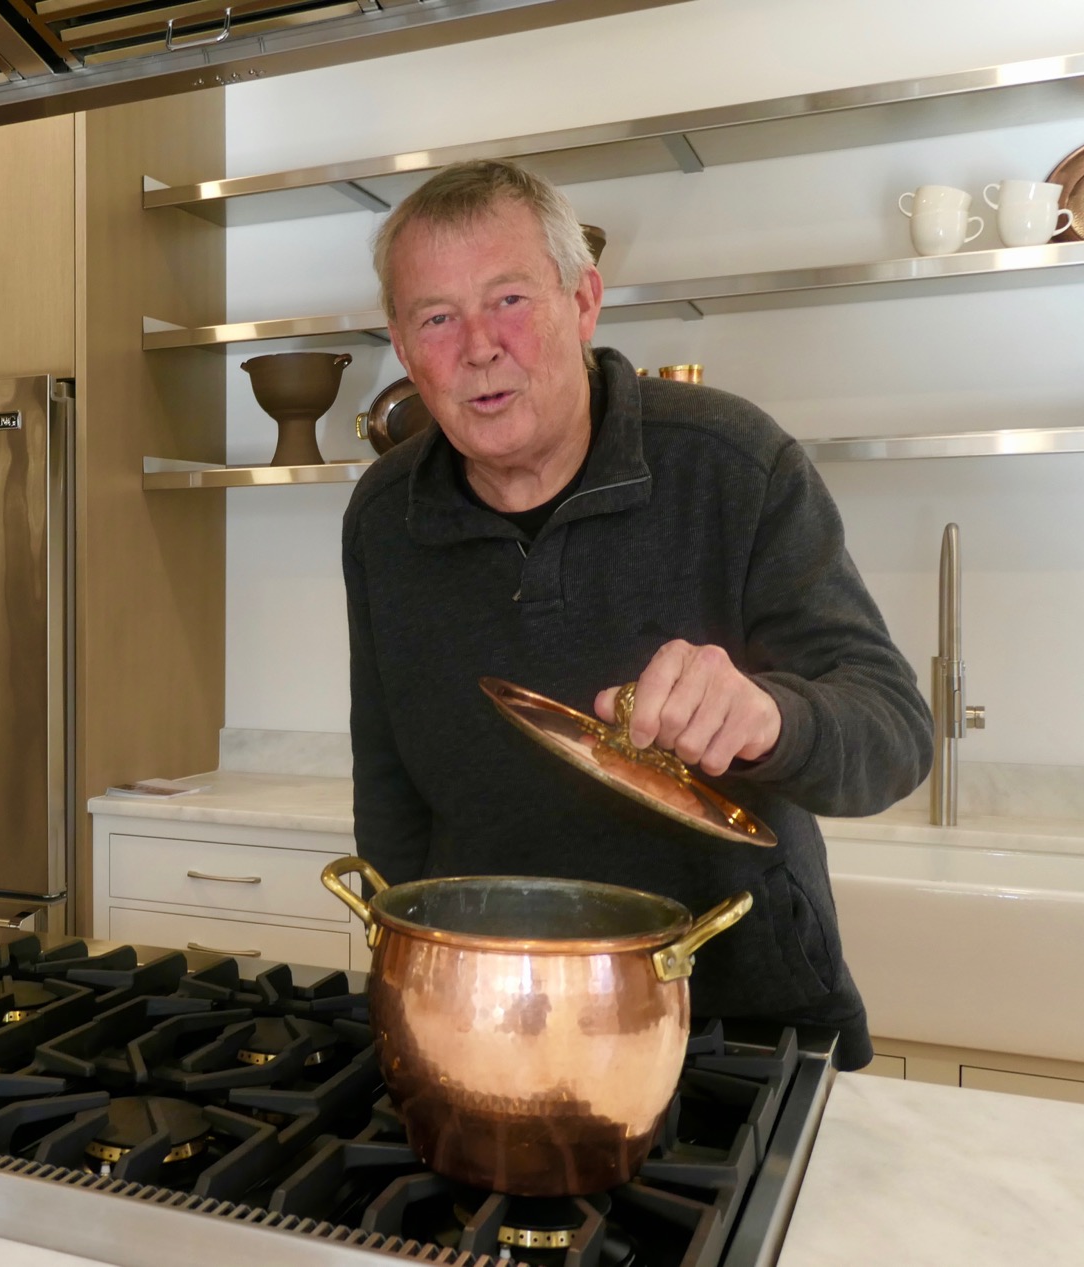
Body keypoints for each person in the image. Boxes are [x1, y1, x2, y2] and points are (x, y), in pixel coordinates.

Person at [342, 161, 933, 1069]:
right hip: (496, 1023)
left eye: (508, 299)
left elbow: (895, 735)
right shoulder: (385, 518)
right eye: (436, 318)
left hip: (745, 1023)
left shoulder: (734, 465)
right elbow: (389, 794)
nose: (478, 347)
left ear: (583, 302)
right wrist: (422, 985)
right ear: (403, 344)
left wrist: (769, 717)